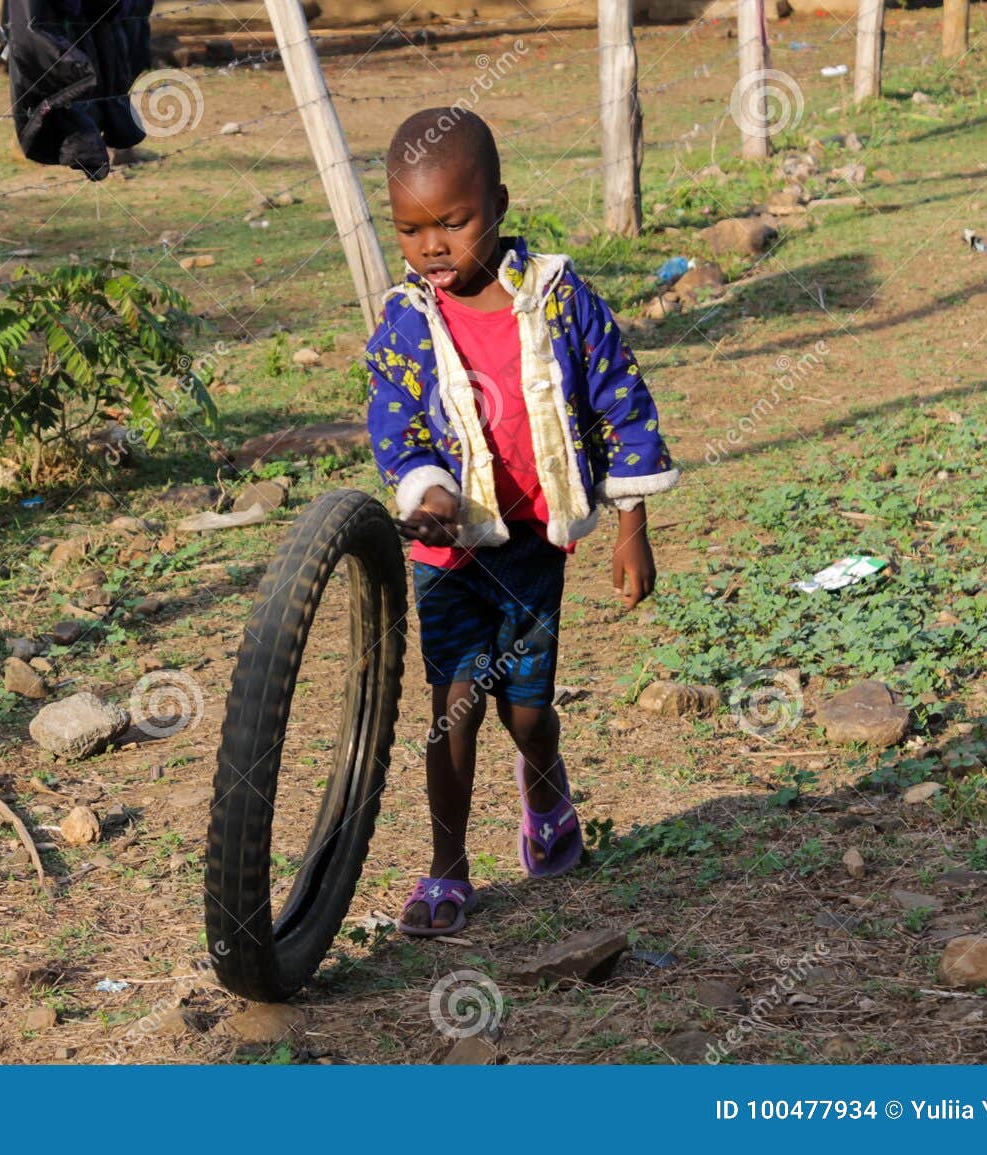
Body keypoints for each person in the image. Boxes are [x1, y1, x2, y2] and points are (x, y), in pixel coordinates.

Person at [364, 107, 679, 936]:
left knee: (526, 707)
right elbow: (395, 420)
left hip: (534, 541)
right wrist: (421, 487)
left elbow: (619, 399)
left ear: (498, 204)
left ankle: (545, 787)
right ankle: (448, 868)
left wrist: (631, 523)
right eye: (411, 229)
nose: (432, 245)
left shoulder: (559, 298)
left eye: (453, 222)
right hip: (451, 550)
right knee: (456, 706)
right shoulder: (405, 321)